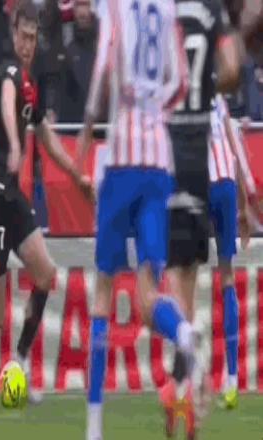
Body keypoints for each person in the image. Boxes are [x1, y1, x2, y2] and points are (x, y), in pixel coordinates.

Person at [0, 0, 93, 405]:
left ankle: (19, 361)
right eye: (23, 36)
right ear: (13, 34)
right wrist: (13, 142)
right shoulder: (8, 71)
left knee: (46, 274)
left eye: (33, 38)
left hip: (14, 200)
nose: (28, 44)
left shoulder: (30, 83)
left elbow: (47, 137)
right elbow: (8, 105)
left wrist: (77, 175)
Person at [76, 0, 207, 438]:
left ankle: (94, 426)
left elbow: (103, 69)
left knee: (103, 289)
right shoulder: (167, 7)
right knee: (150, 288)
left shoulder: (115, 6)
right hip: (159, 160)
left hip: (122, 157)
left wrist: (85, 135)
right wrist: (156, 114)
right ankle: (183, 331)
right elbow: (181, 80)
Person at [164, 0, 240, 433]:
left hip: (178, 164)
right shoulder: (213, 16)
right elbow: (231, 72)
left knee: (170, 284)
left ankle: (187, 384)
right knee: (196, 282)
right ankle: (200, 383)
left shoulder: (162, 13)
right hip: (206, 173)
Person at [208, 94, 255, 409]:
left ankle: (184, 380)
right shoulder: (218, 99)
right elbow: (234, 149)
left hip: (199, 185)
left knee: (182, 272)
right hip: (225, 185)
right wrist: (243, 204)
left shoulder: (180, 92)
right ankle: (233, 379)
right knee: (227, 276)